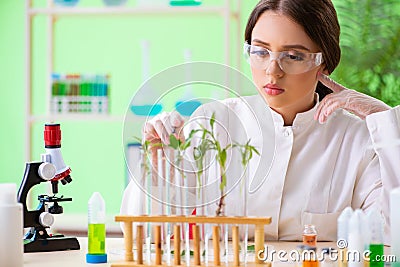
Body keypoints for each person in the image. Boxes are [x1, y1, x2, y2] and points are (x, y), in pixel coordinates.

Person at [121, 0, 400, 243]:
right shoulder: (214, 124)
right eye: (260, 51)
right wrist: (156, 162)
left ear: (324, 63)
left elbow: (391, 234)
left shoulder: (357, 139)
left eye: (292, 56)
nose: (272, 70)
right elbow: (144, 230)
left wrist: (387, 123)